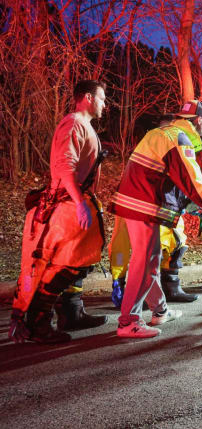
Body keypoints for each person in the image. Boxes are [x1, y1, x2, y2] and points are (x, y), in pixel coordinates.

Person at [110, 100, 202, 338]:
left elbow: (169, 177)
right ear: (198, 120)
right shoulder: (179, 138)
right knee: (147, 262)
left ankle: (160, 310)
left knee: (148, 259)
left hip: (133, 203)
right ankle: (128, 322)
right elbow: (191, 178)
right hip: (144, 205)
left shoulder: (161, 133)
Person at [9, 80, 108, 343]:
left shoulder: (83, 125)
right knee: (61, 267)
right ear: (87, 97)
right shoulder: (73, 123)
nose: (105, 104)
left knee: (78, 263)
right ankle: (39, 324)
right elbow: (65, 166)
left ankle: (71, 312)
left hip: (73, 203)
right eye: (102, 98)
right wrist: (78, 203)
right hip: (66, 207)